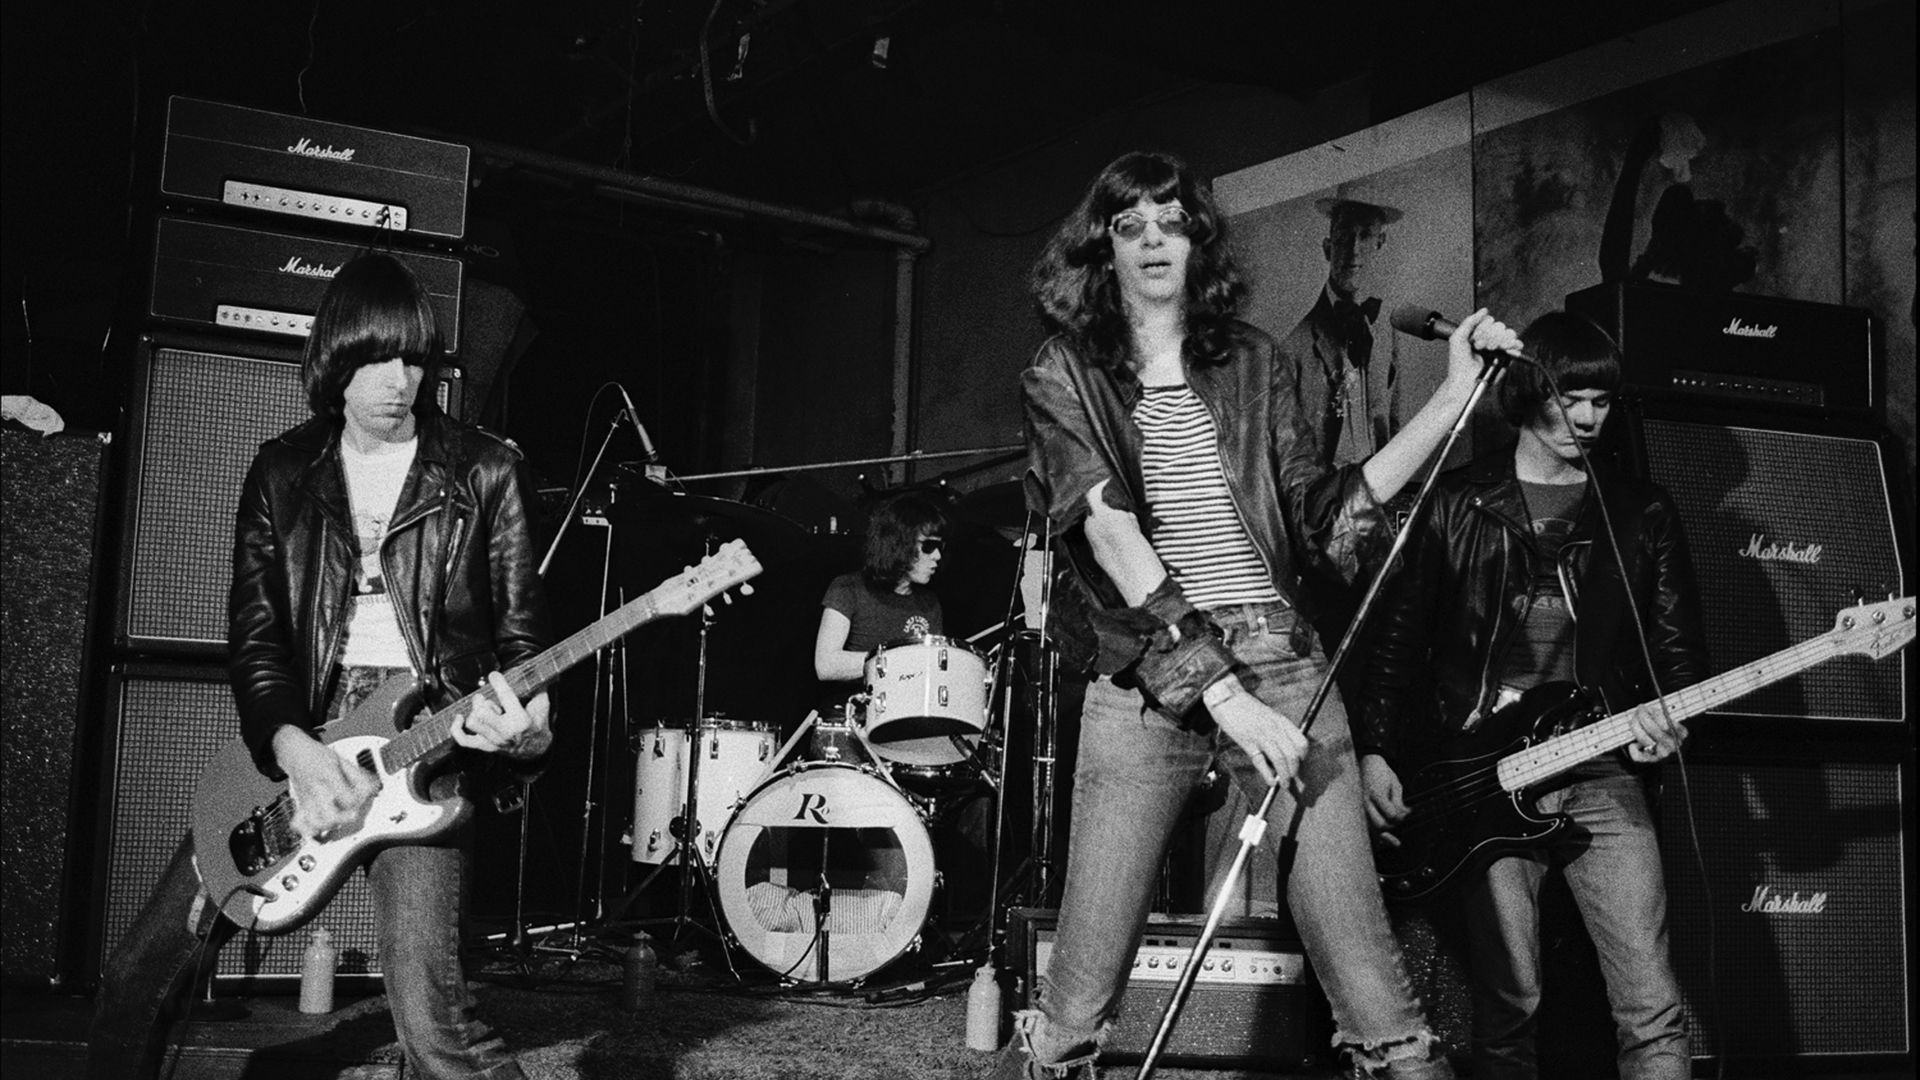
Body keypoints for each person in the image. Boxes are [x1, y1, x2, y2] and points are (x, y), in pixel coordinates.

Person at [994, 149, 1520, 1080]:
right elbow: (1113, 541)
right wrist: (1223, 696)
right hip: (1149, 677)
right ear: (1101, 250)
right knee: (1075, 1003)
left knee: (1380, 1002)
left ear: (1199, 240)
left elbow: (1327, 518)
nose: (1154, 237)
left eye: (1171, 217)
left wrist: (1450, 396)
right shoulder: (1064, 371)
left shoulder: (1251, 357)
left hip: (1283, 662)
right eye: (1129, 224)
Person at [88, 253, 555, 1080]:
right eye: (377, 358)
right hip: (302, 740)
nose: (399, 380)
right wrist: (295, 751)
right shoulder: (281, 473)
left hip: (430, 746)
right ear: (335, 360)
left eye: (413, 358)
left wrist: (529, 728)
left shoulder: (487, 470)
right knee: (136, 975)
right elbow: (258, 641)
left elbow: (523, 645)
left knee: (435, 1027)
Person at [1356, 310, 1705, 1079]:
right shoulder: (1454, 502)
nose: (1586, 417)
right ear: (1525, 392)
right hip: (1483, 771)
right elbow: (1392, 643)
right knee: (1507, 1007)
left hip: (1601, 765)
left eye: (1601, 402)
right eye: (1569, 397)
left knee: (1652, 1006)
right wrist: (1376, 748)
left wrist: (1667, 725)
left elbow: (1678, 661)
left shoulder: (1641, 512)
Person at [1278, 197, 1408, 469]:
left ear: (1379, 243)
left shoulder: (1386, 327)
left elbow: (1392, 421)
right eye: (1343, 236)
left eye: (1365, 235)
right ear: (1328, 248)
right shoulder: (1293, 349)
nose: (1354, 250)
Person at [813, 491, 949, 716]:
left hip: (907, 718)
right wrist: (897, 659)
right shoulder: (847, 588)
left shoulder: (929, 603)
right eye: (928, 546)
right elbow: (826, 665)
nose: (937, 556)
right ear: (899, 543)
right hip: (855, 720)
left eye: (940, 548)